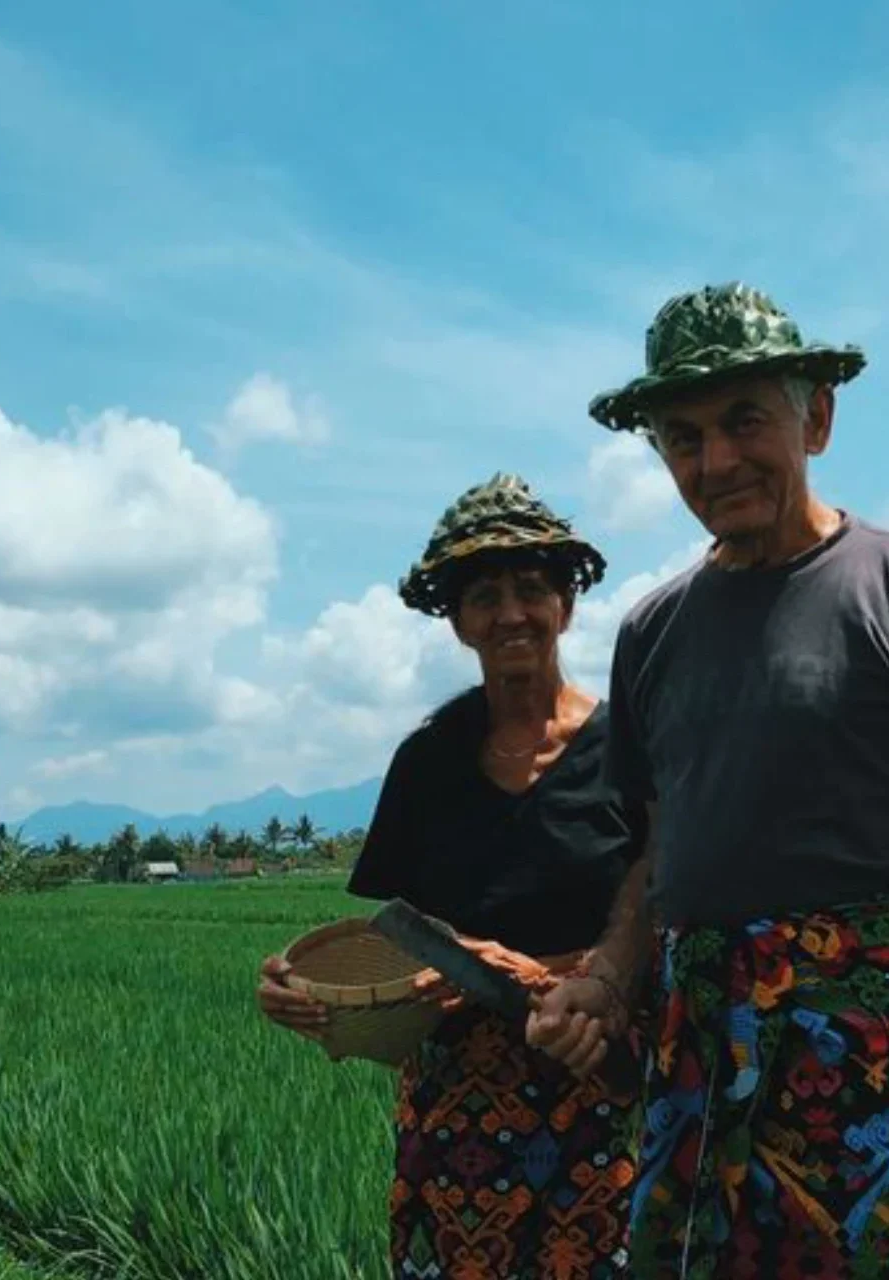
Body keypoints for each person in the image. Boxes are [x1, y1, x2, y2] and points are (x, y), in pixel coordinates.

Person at [526, 283, 889, 1278]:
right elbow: (657, 855)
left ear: (816, 415)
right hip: (697, 1066)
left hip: (871, 1058)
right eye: (683, 436)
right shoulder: (652, 631)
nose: (716, 459)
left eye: (744, 420)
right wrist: (604, 975)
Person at [257, 473, 649, 1279]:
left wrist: (551, 976)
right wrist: (314, 999)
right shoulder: (426, 764)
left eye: (532, 589)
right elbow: (395, 945)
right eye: (484, 596)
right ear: (457, 621)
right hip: (456, 1120)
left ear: (566, 607)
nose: (511, 613)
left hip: (603, 1088)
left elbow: (671, 920)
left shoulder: (631, 754)